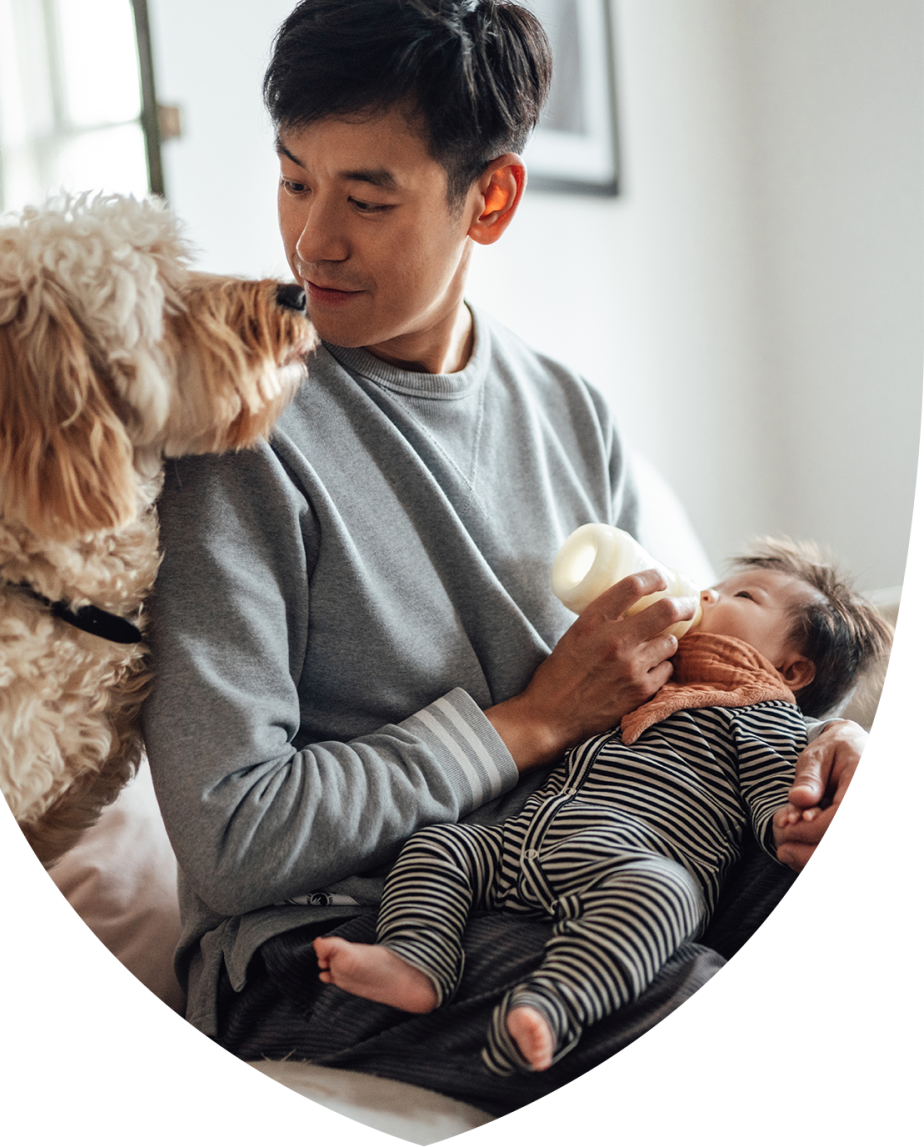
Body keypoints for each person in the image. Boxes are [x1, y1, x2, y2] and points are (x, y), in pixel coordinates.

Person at [141, 0, 868, 1115]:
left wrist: (826, 751)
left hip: (577, 864)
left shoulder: (573, 415)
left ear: (491, 197)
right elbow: (235, 836)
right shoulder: (240, 429)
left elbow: (704, 679)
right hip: (331, 937)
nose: (311, 241)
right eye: (294, 179)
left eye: (366, 196)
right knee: (675, 982)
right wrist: (528, 721)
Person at [312, 539, 892, 1075]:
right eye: (717, 583)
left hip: (624, 863)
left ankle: (552, 1006)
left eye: (743, 596)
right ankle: (417, 956)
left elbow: (781, 797)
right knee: (439, 845)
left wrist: (792, 815)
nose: (709, 593)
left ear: (792, 669)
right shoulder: (641, 678)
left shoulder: (756, 713)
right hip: (518, 842)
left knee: (663, 897)